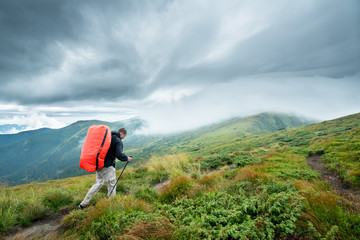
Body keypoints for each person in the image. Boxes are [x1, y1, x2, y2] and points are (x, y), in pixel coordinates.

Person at [78, 128, 132, 209]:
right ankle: (112, 204)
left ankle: (83, 204)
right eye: (124, 135)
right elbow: (119, 155)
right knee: (112, 183)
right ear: (121, 133)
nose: (124, 137)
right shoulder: (118, 141)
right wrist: (127, 158)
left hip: (99, 164)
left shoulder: (108, 137)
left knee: (98, 184)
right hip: (107, 166)